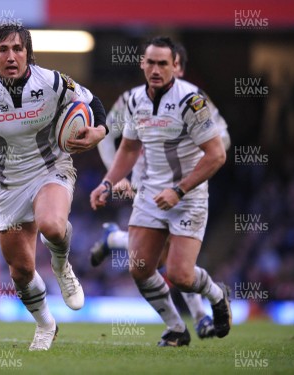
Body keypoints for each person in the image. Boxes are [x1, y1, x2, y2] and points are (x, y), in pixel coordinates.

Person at [0, 24, 107, 351]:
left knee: (51, 225)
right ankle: (46, 324)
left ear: (27, 53)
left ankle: (62, 266)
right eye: (3, 50)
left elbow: (94, 102)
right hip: (8, 184)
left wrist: (99, 131)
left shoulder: (51, 81)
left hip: (51, 168)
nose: (11, 56)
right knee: (20, 271)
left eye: (18, 49)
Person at [89, 36, 231, 347]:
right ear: (142, 64)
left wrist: (179, 191)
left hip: (188, 197)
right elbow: (127, 147)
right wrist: (108, 183)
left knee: (180, 274)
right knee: (140, 269)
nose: (155, 69)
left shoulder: (192, 101)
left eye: (162, 64)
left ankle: (217, 297)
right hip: (150, 193)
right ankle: (177, 329)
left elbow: (217, 154)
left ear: (175, 67)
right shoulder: (135, 100)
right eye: (150, 62)